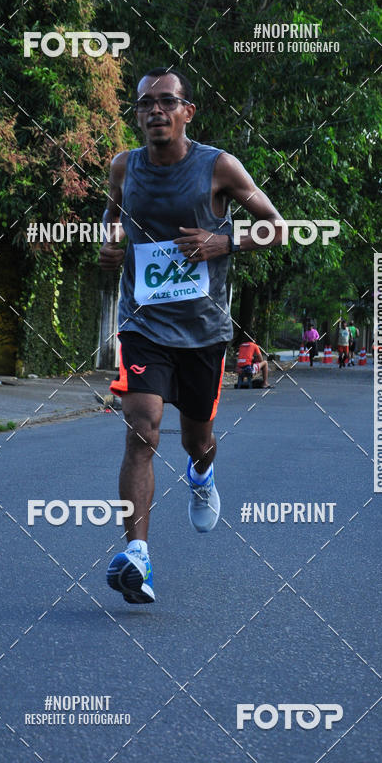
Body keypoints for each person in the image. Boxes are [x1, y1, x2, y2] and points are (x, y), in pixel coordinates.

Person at [99, 67, 284, 603]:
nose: (155, 111)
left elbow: (275, 226)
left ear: (187, 111)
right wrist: (111, 243)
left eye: (166, 101)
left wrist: (224, 243)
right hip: (142, 323)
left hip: (203, 330)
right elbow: (112, 213)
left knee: (196, 439)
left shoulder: (218, 166)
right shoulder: (123, 166)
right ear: (137, 114)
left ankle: (201, 477)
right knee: (142, 430)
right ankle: (138, 557)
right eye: (145, 104)